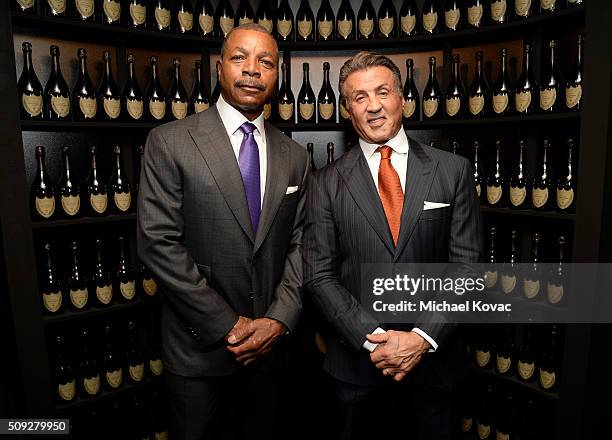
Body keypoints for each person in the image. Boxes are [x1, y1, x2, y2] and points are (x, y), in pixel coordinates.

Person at [137, 23, 308, 440]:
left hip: (270, 355)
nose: (253, 70)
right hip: (199, 353)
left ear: (277, 75)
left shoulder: (296, 156)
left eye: (265, 62)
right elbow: (157, 243)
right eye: (239, 58)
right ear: (219, 68)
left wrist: (278, 321)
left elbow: (303, 244)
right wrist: (228, 325)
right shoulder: (170, 141)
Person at [303, 52, 484, 440]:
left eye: (382, 92)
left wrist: (422, 338)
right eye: (358, 97)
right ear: (347, 111)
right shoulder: (324, 183)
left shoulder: (453, 171)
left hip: (436, 367)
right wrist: (374, 338)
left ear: (402, 99)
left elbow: (467, 270)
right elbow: (319, 276)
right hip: (357, 370)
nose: (373, 106)